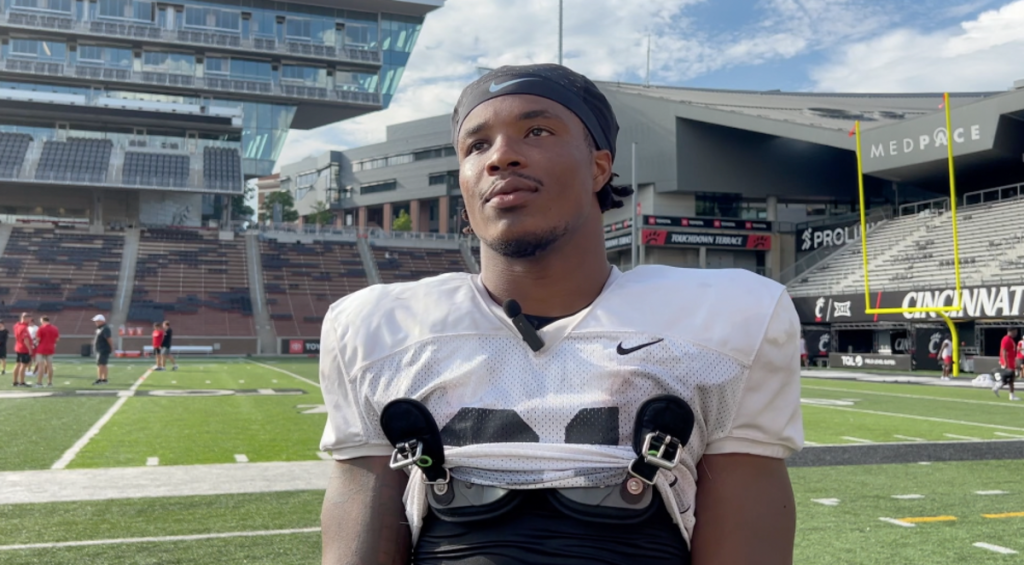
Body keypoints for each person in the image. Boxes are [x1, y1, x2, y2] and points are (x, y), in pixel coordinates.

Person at [319, 64, 803, 565]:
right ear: (462, 183)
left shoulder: (729, 317)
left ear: (599, 167)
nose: (501, 156)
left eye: (537, 130)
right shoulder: (378, 329)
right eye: (476, 146)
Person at [994, 327, 1019, 401]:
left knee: (1011, 379)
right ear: (1010, 331)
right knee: (1009, 378)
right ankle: (998, 386)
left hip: (1011, 361)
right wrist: (1005, 362)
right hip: (1008, 362)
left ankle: (1011, 395)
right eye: (1015, 332)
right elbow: (1003, 351)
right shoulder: (1006, 339)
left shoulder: (1010, 339)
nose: (1016, 334)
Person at [34, 316, 59, 387]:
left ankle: (39, 382)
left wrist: (35, 343)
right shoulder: (55, 328)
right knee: (50, 365)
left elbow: (38, 339)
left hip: (41, 348)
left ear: (43, 321)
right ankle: (49, 382)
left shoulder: (41, 328)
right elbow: (57, 339)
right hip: (50, 348)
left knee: (40, 366)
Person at [12, 313, 33, 387]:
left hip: (18, 347)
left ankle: (15, 381)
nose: (30, 321)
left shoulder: (16, 325)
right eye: (29, 319)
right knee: (23, 365)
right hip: (23, 348)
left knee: (18, 364)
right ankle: (22, 382)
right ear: (25, 318)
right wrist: (30, 349)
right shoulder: (24, 327)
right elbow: (25, 339)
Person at [92, 314, 113, 385]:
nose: (96, 323)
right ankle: (104, 379)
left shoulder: (105, 328)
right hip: (101, 349)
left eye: (97, 321)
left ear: (101, 321)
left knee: (101, 364)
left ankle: (100, 379)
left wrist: (111, 347)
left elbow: (108, 338)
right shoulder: (100, 328)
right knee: (103, 364)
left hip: (103, 349)